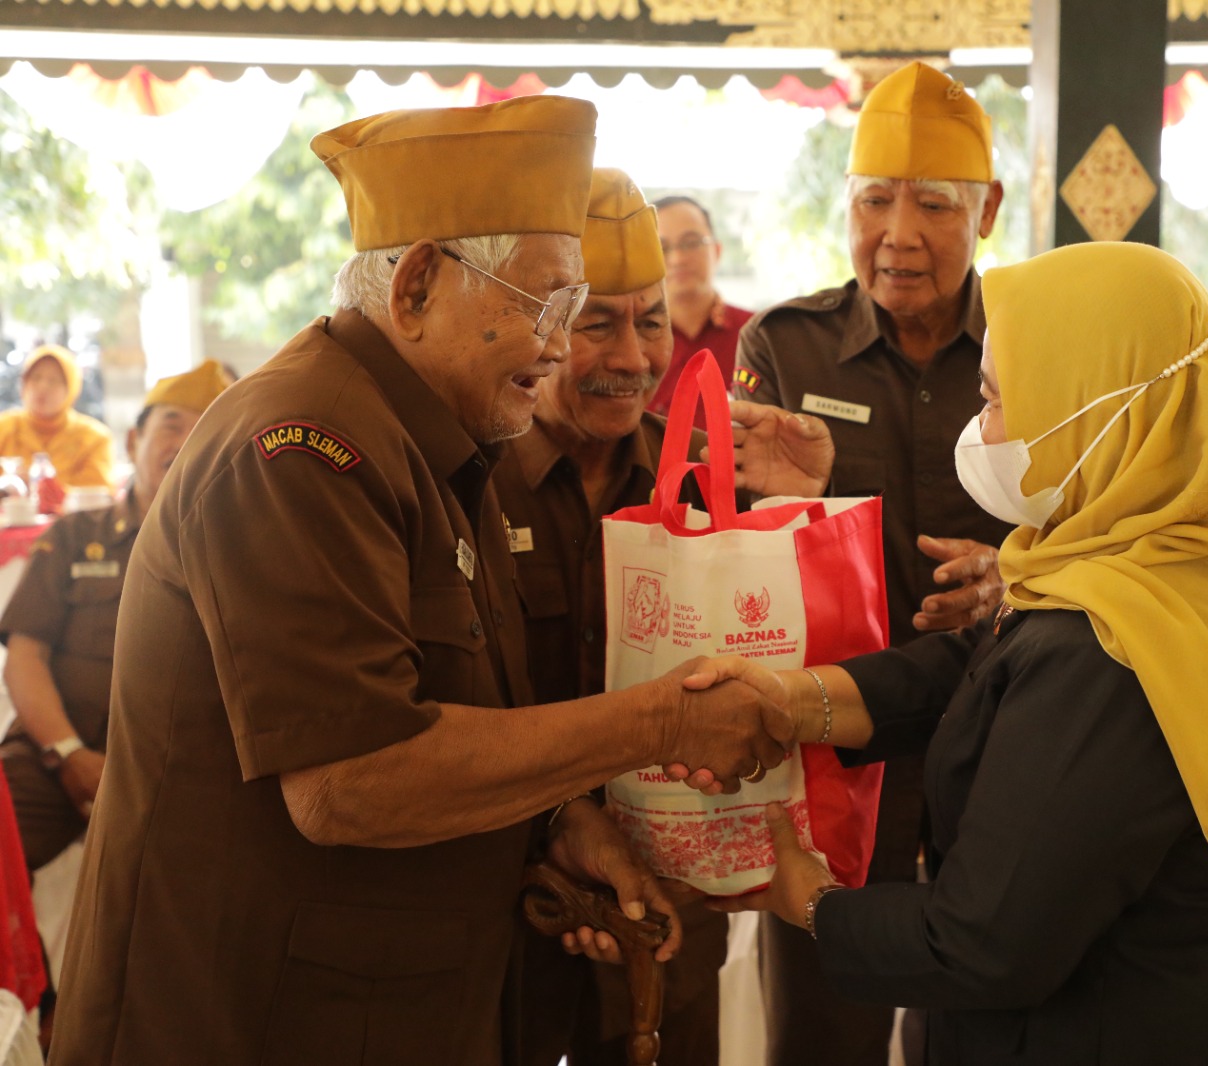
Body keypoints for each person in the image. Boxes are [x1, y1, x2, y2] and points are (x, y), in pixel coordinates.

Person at [48, 98, 789, 1066]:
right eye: (548, 305)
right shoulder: (303, 448)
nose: (562, 348)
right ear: (418, 285)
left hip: (390, 1000)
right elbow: (350, 783)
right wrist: (663, 722)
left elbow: (457, 706)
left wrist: (563, 822)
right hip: (255, 1014)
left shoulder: (439, 438)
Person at [689, 241, 1208, 1064]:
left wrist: (816, 905)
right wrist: (800, 698)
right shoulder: (1207, 567)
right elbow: (979, 666)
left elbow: (982, 938)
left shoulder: (1115, 644)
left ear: (1093, 414)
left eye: (998, 399)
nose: (980, 428)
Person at [729, 59, 1011, 1066]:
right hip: (834, 740)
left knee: (985, 1015)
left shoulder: (1033, 347)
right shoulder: (787, 346)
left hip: (1001, 737)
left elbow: (1094, 528)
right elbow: (731, 549)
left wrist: (1013, 576)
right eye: (872, 202)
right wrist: (784, 509)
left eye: (932, 205)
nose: (897, 234)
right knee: (822, 1024)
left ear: (988, 209)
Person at [499, 170, 726, 1066]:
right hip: (510, 897)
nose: (633, 356)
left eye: (653, 321)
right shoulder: (472, 479)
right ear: (542, 327)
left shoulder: (710, 474)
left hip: (672, 898)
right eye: (599, 324)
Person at [0, 360, 229, 873]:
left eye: (206, 428)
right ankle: (25, 957)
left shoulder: (240, 553)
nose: (187, 441)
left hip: (183, 774)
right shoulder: (74, 536)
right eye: (172, 424)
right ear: (132, 443)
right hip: (54, 753)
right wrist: (69, 754)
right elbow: (25, 659)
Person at [649, 195, 753, 428]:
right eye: (661, 248)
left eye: (691, 242)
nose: (677, 259)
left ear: (717, 251)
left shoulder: (756, 335)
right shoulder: (635, 340)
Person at [0, 346, 114, 490]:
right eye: (36, 378)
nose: (43, 387)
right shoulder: (4, 427)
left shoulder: (94, 438)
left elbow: (99, 494)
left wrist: (44, 489)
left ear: (71, 389)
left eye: (53, 380)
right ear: (23, 384)